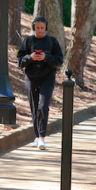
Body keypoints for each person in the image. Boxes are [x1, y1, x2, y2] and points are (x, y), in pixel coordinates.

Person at [17, 16, 64, 150]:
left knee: (43, 106)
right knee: (34, 107)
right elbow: (20, 61)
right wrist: (30, 57)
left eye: (42, 28)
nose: (39, 30)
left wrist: (46, 57)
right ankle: (37, 137)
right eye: (37, 28)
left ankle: (42, 138)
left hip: (47, 78)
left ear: (46, 28)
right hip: (31, 78)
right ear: (33, 27)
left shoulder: (51, 41)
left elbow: (59, 61)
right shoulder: (28, 41)